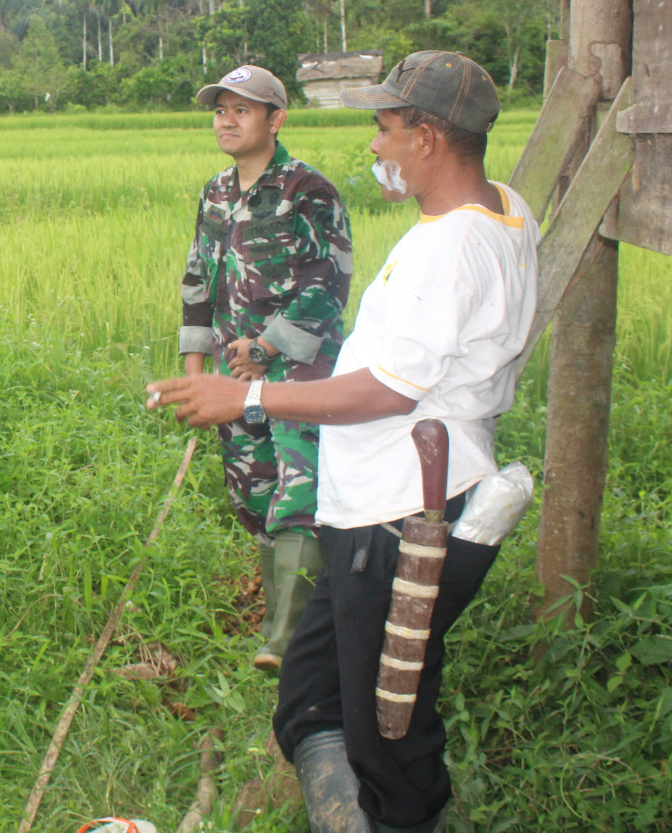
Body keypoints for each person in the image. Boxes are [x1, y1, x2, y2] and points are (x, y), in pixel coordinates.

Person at [149, 51, 537, 833]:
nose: (375, 145)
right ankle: (341, 809)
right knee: (310, 698)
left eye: (387, 128)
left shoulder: (450, 246)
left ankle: (397, 819)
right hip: (367, 511)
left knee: (388, 725)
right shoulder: (503, 209)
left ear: (428, 137)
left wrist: (247, 394)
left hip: (401, 517)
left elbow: (388, 388)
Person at [181, 64, 352, 670]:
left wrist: (266, 349)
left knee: (297, 491)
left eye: (241, 110)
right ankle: (278, 619)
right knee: (250, 490)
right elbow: (199, 276)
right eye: (220, 109)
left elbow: (329, 283)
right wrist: (197, 368)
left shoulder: (309, 190)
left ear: (275, 120)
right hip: (231, 373)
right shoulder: (215, 192)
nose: (226, 120)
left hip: (297, 374)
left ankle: (290, 641)